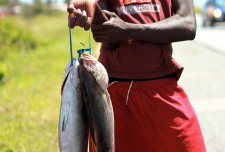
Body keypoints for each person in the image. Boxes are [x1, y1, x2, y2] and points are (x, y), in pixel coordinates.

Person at [67, 0, 206, 151]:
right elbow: (109, 38)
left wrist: (129, 30)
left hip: (163, 89)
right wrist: (93, 9)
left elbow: (188, 25)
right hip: (114, 97)